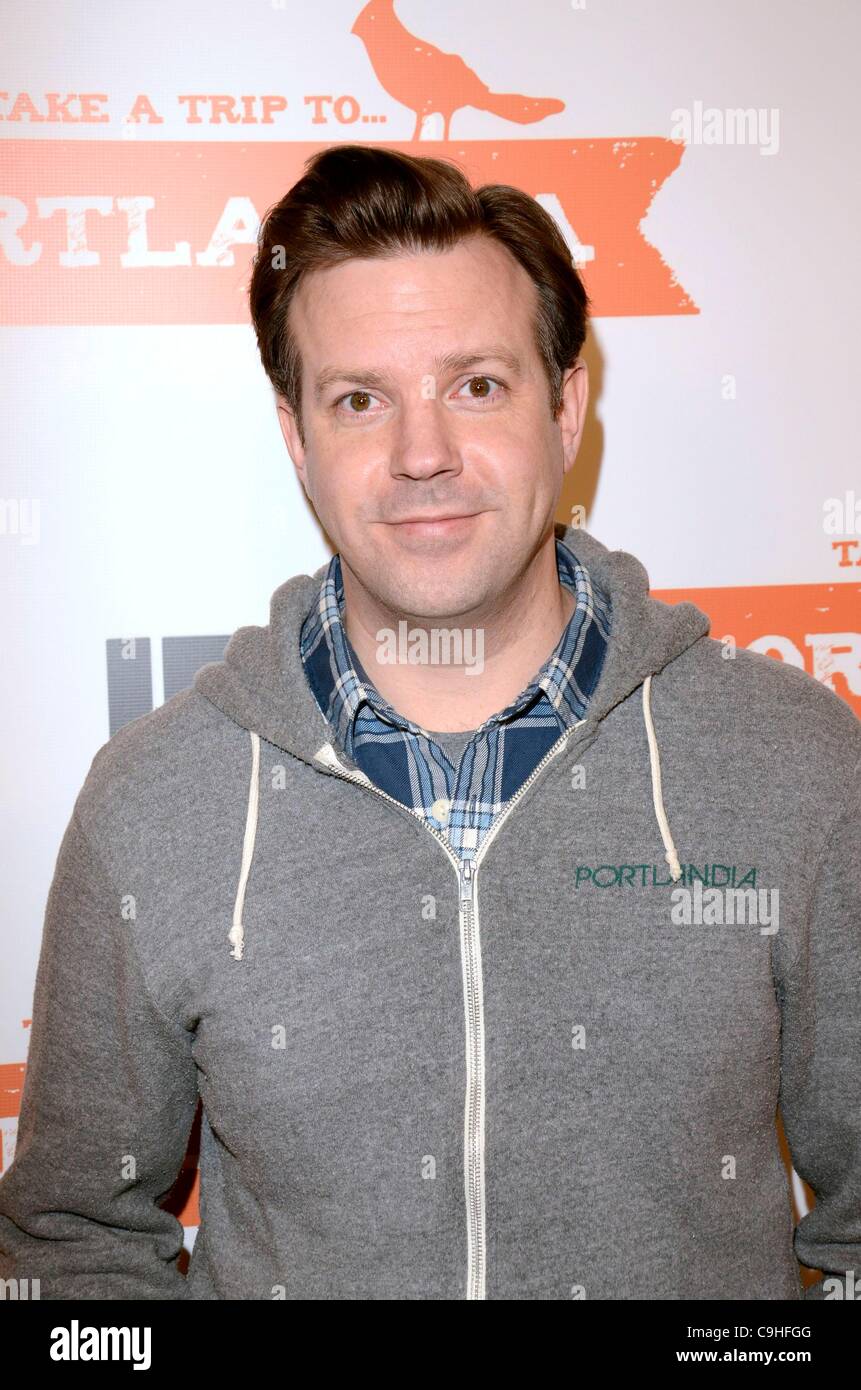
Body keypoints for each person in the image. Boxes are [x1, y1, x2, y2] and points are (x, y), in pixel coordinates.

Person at [1, 143, 858, 1301]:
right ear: (300, 439)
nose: (423, 455)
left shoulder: (794, 765)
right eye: (361, 399)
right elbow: (71, 1241)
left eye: (476, 385)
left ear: (566, 405)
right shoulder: (156, 802)